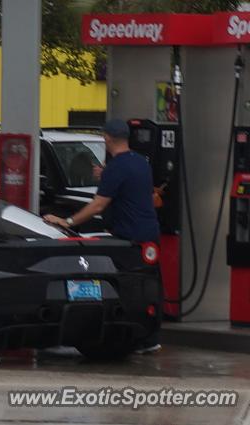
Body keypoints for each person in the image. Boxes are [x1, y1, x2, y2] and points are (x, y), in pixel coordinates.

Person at [44, 118, 161, 354]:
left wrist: (66, 222)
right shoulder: (140, 163)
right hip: (149, 235)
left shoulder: (116, 168)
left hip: (128, 239)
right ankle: (149, 338)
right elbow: (135, 190)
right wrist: (107, 175)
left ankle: (121, 335)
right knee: (149, 286)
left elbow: (98, 206)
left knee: (121, 286)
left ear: (107, 138)